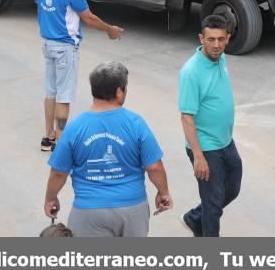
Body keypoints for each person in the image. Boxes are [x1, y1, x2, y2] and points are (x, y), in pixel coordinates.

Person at [44, 61, 172, 237]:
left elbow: (58, 172)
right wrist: (163, 192)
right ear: (119, 91)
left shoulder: (75, 127)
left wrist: (51, 198)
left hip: (89, 212)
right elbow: (154, 167)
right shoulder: (135, 123)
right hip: (132, 209)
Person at [36, 0, 124, 152]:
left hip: (47, 43)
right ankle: (60, 141)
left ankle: (47, 138)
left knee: (51, 92)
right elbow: (88, 18)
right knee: (64, 97)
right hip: (65, 47)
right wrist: (109, 29)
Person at [178, 14, 242, 237]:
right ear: (201, 39)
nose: (216, 45)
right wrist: (198, 156)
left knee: (232, 189)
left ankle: (195, 218)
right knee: (213, 204)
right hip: (206, 147)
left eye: (221, 39)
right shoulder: (191, 72)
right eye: (211, 39)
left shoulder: (220, 58)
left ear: (227, 39)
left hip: (225, 141)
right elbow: (186, 117)